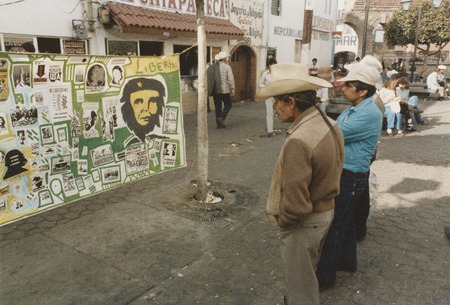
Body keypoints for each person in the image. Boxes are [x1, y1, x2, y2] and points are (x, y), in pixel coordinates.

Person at [255, 63, 344, 305]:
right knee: (307, 273)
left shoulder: (299, 140)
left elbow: (295, 202)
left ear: (292, 102)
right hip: (325, 211)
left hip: (306, 221)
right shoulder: (328, 122)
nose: (275, 108)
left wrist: (285, 223)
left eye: (278, 102)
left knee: (300, 287)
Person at [316, 63, 382, 290]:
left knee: (334, 225)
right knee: (347, 222)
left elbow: (334, 134)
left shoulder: (367, 113)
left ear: (363, 90)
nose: (343, 88)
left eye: (349, 86)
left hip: (351, 176)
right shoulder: (355, 107)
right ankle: (347, 261)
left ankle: (324, 277)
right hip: (348, 173)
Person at [120, 77, 166, 145]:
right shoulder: (130, 145)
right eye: (138, 102)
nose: (145, 110)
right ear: (129, 107)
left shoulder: (163, 141)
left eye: (152, 101)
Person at [207, 51, 235, 129]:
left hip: (216, 90)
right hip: (225, 90)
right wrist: (232, 88)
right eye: (227, 58)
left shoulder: (213, 67)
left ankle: (219, 125)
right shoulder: (227, 67)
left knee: (218, 107)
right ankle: (221, 118)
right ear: (224, 58)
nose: (227, 59)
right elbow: (230, 79)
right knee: (228, 105)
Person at [258, 57, 277, 137]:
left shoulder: (278, 73)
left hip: (277, 95)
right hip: (269, 95)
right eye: (270, 64)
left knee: (281, 111)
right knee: (269, 113)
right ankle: (270, 131)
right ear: (268, 65)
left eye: (273, 64)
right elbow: (260, 84)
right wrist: (265, 85)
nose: (272, 66)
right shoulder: (265, 74)